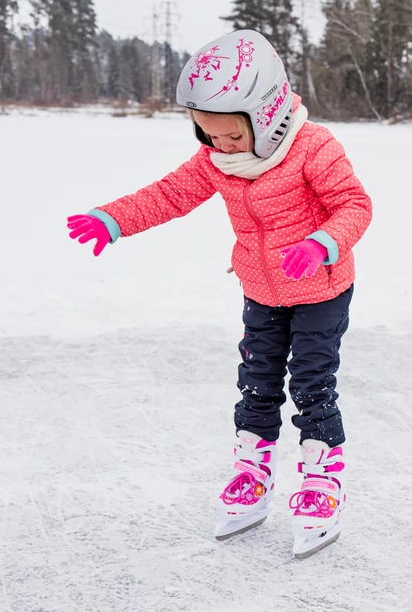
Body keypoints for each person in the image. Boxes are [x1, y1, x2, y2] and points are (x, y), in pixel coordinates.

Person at [67, 29, 372, 559]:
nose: (219, 148)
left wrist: (323, 243)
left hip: (321, 288)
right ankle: (252, 473)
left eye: (232, 137)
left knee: (311, 381)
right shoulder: (217, 160)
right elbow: (169, 194)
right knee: (256, 382)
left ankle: (322, 482)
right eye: (207, 136)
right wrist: (114, 218)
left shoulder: (314, 147)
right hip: (261, 288)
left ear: (269, 114)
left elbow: (355, 205)